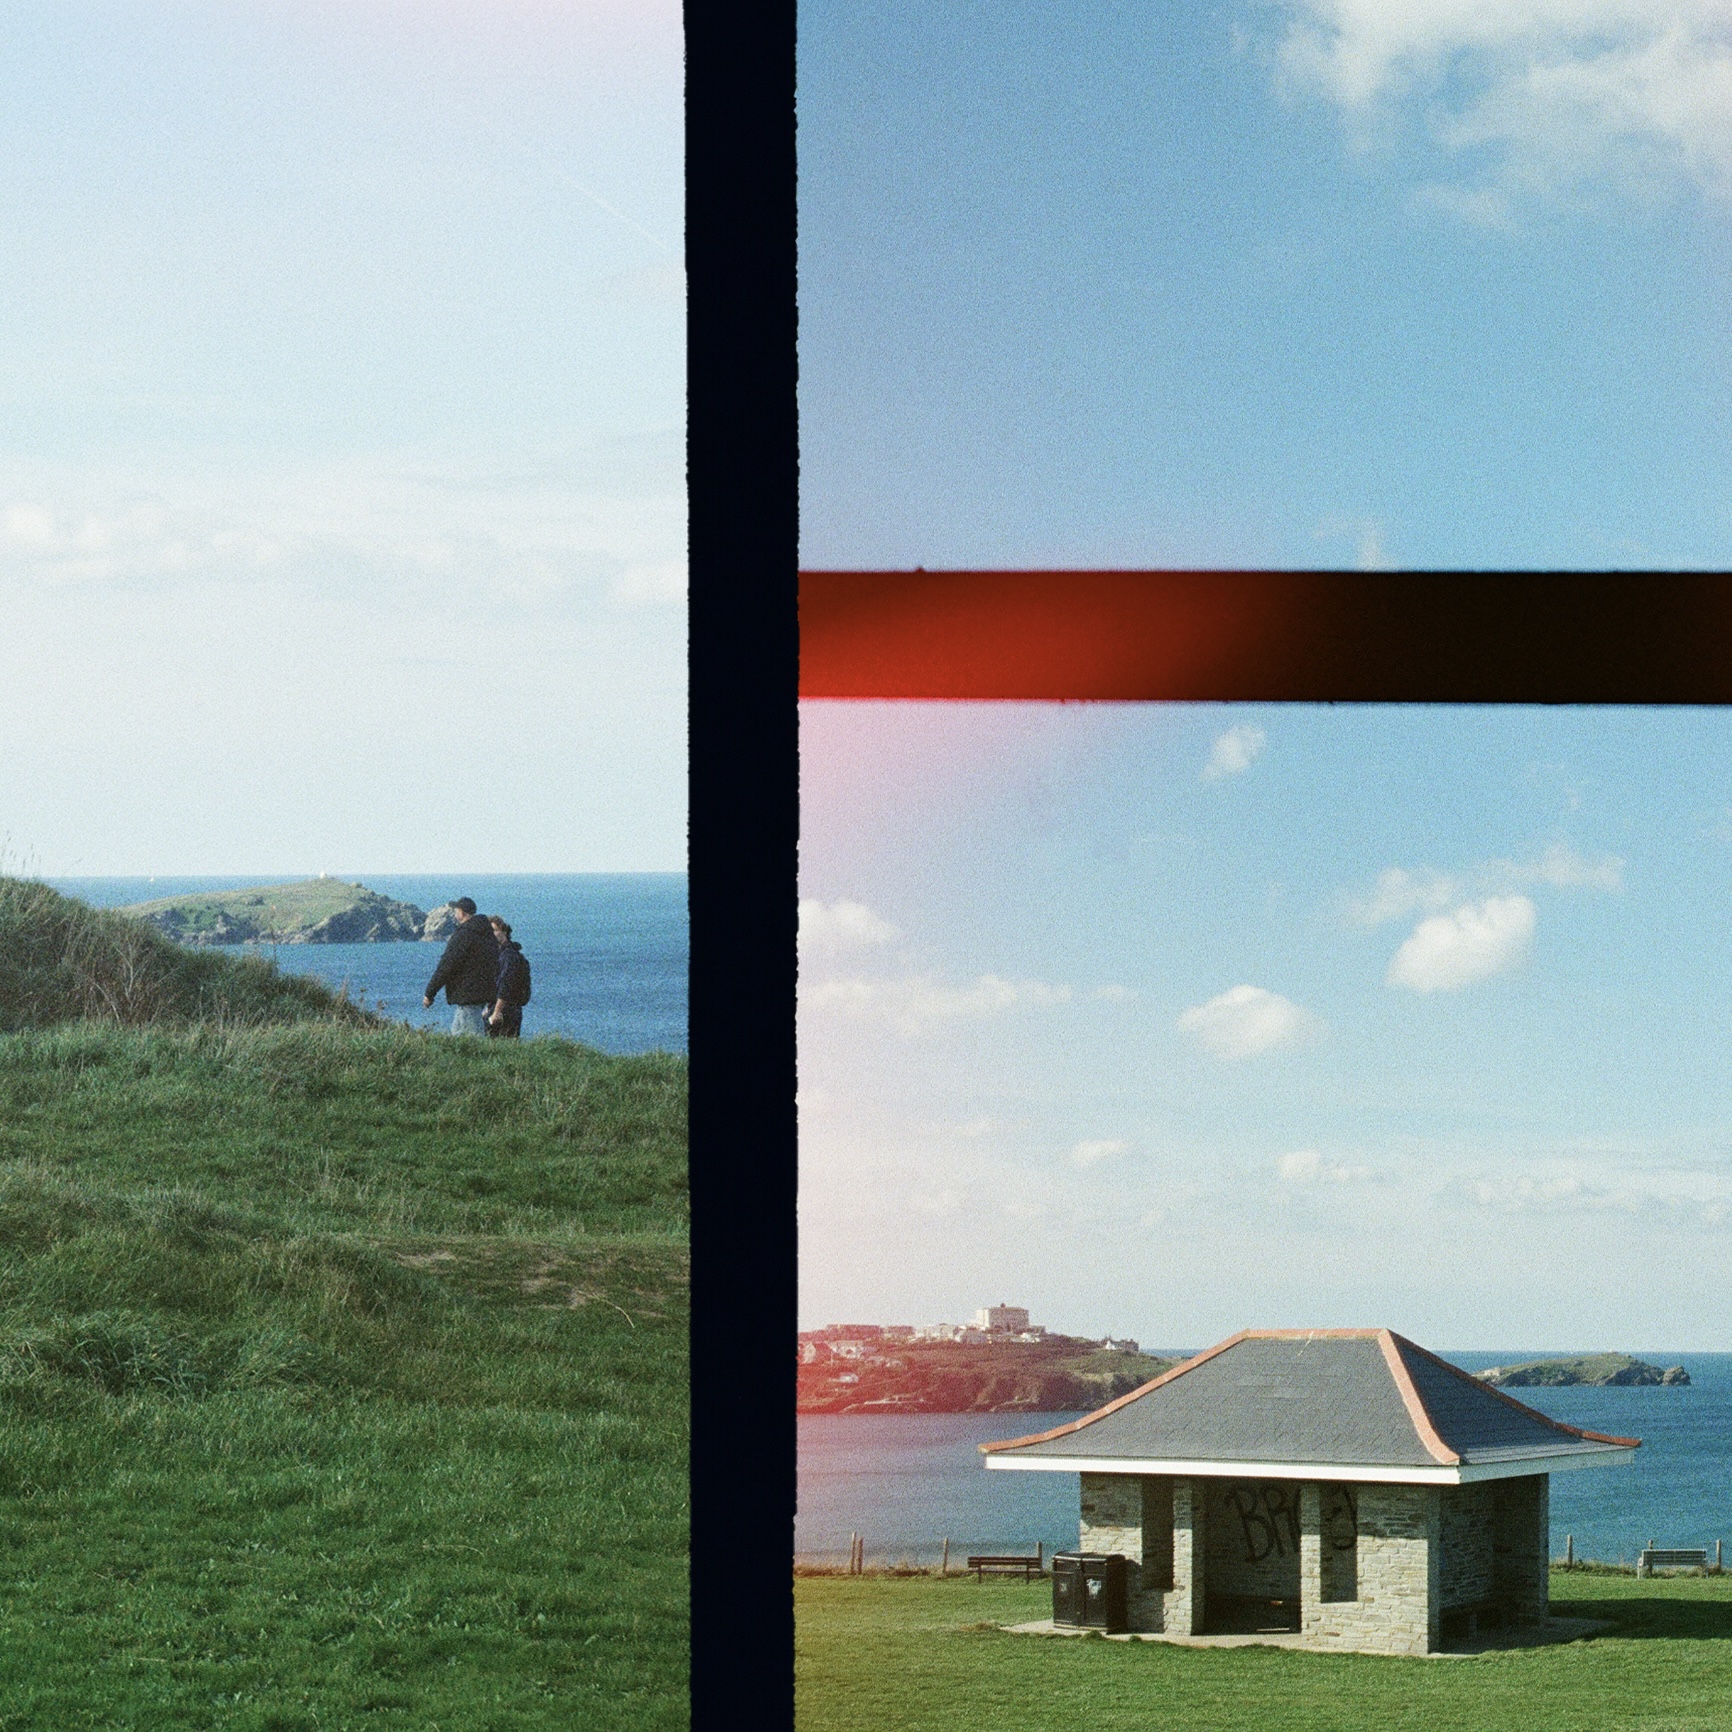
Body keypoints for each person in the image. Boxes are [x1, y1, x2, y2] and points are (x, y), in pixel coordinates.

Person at [422, 897, 500, 1035]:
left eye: (456, 910)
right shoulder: (487, 934)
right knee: (458, 1036)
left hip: (467, 994)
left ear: (462, 913)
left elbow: (447, 964)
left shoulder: (464, 934)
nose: (455, 913)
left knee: (472, 1039)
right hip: (481, 993)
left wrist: (430, 993)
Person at [488, 917, 531, 1039]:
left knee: (500, 1044)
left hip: (507, 1008)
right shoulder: (500, 954)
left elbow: (505, 983)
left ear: (504, 932)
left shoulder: (509, 956)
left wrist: (496, 1012)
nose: (493, 934)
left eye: (495, 930)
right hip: (502, 1006)